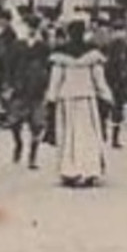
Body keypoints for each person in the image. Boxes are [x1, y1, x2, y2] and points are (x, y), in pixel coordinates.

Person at [44, 19, 111, 187]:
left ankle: (70, 170)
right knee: (87, 134)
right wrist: (107, 97)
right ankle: (88, 170)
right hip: (87, 99)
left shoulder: (61, 55)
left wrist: (51, 99)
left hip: (67, 99)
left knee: (68, 136)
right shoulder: (93, 55)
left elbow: (55, 81)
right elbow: (99, 80)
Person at [1, 12, 52, 169]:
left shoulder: (44, 46)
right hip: (19, 87)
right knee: (14, 122)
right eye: (29, 27)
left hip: (37, 88)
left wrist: (47, 84)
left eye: (34, 27)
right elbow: (9, 66)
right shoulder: (17, 45)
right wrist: (8, 84)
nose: (31, 30)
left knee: (37, 124)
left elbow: (48, 67)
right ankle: (18, 143)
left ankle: (33, 156)